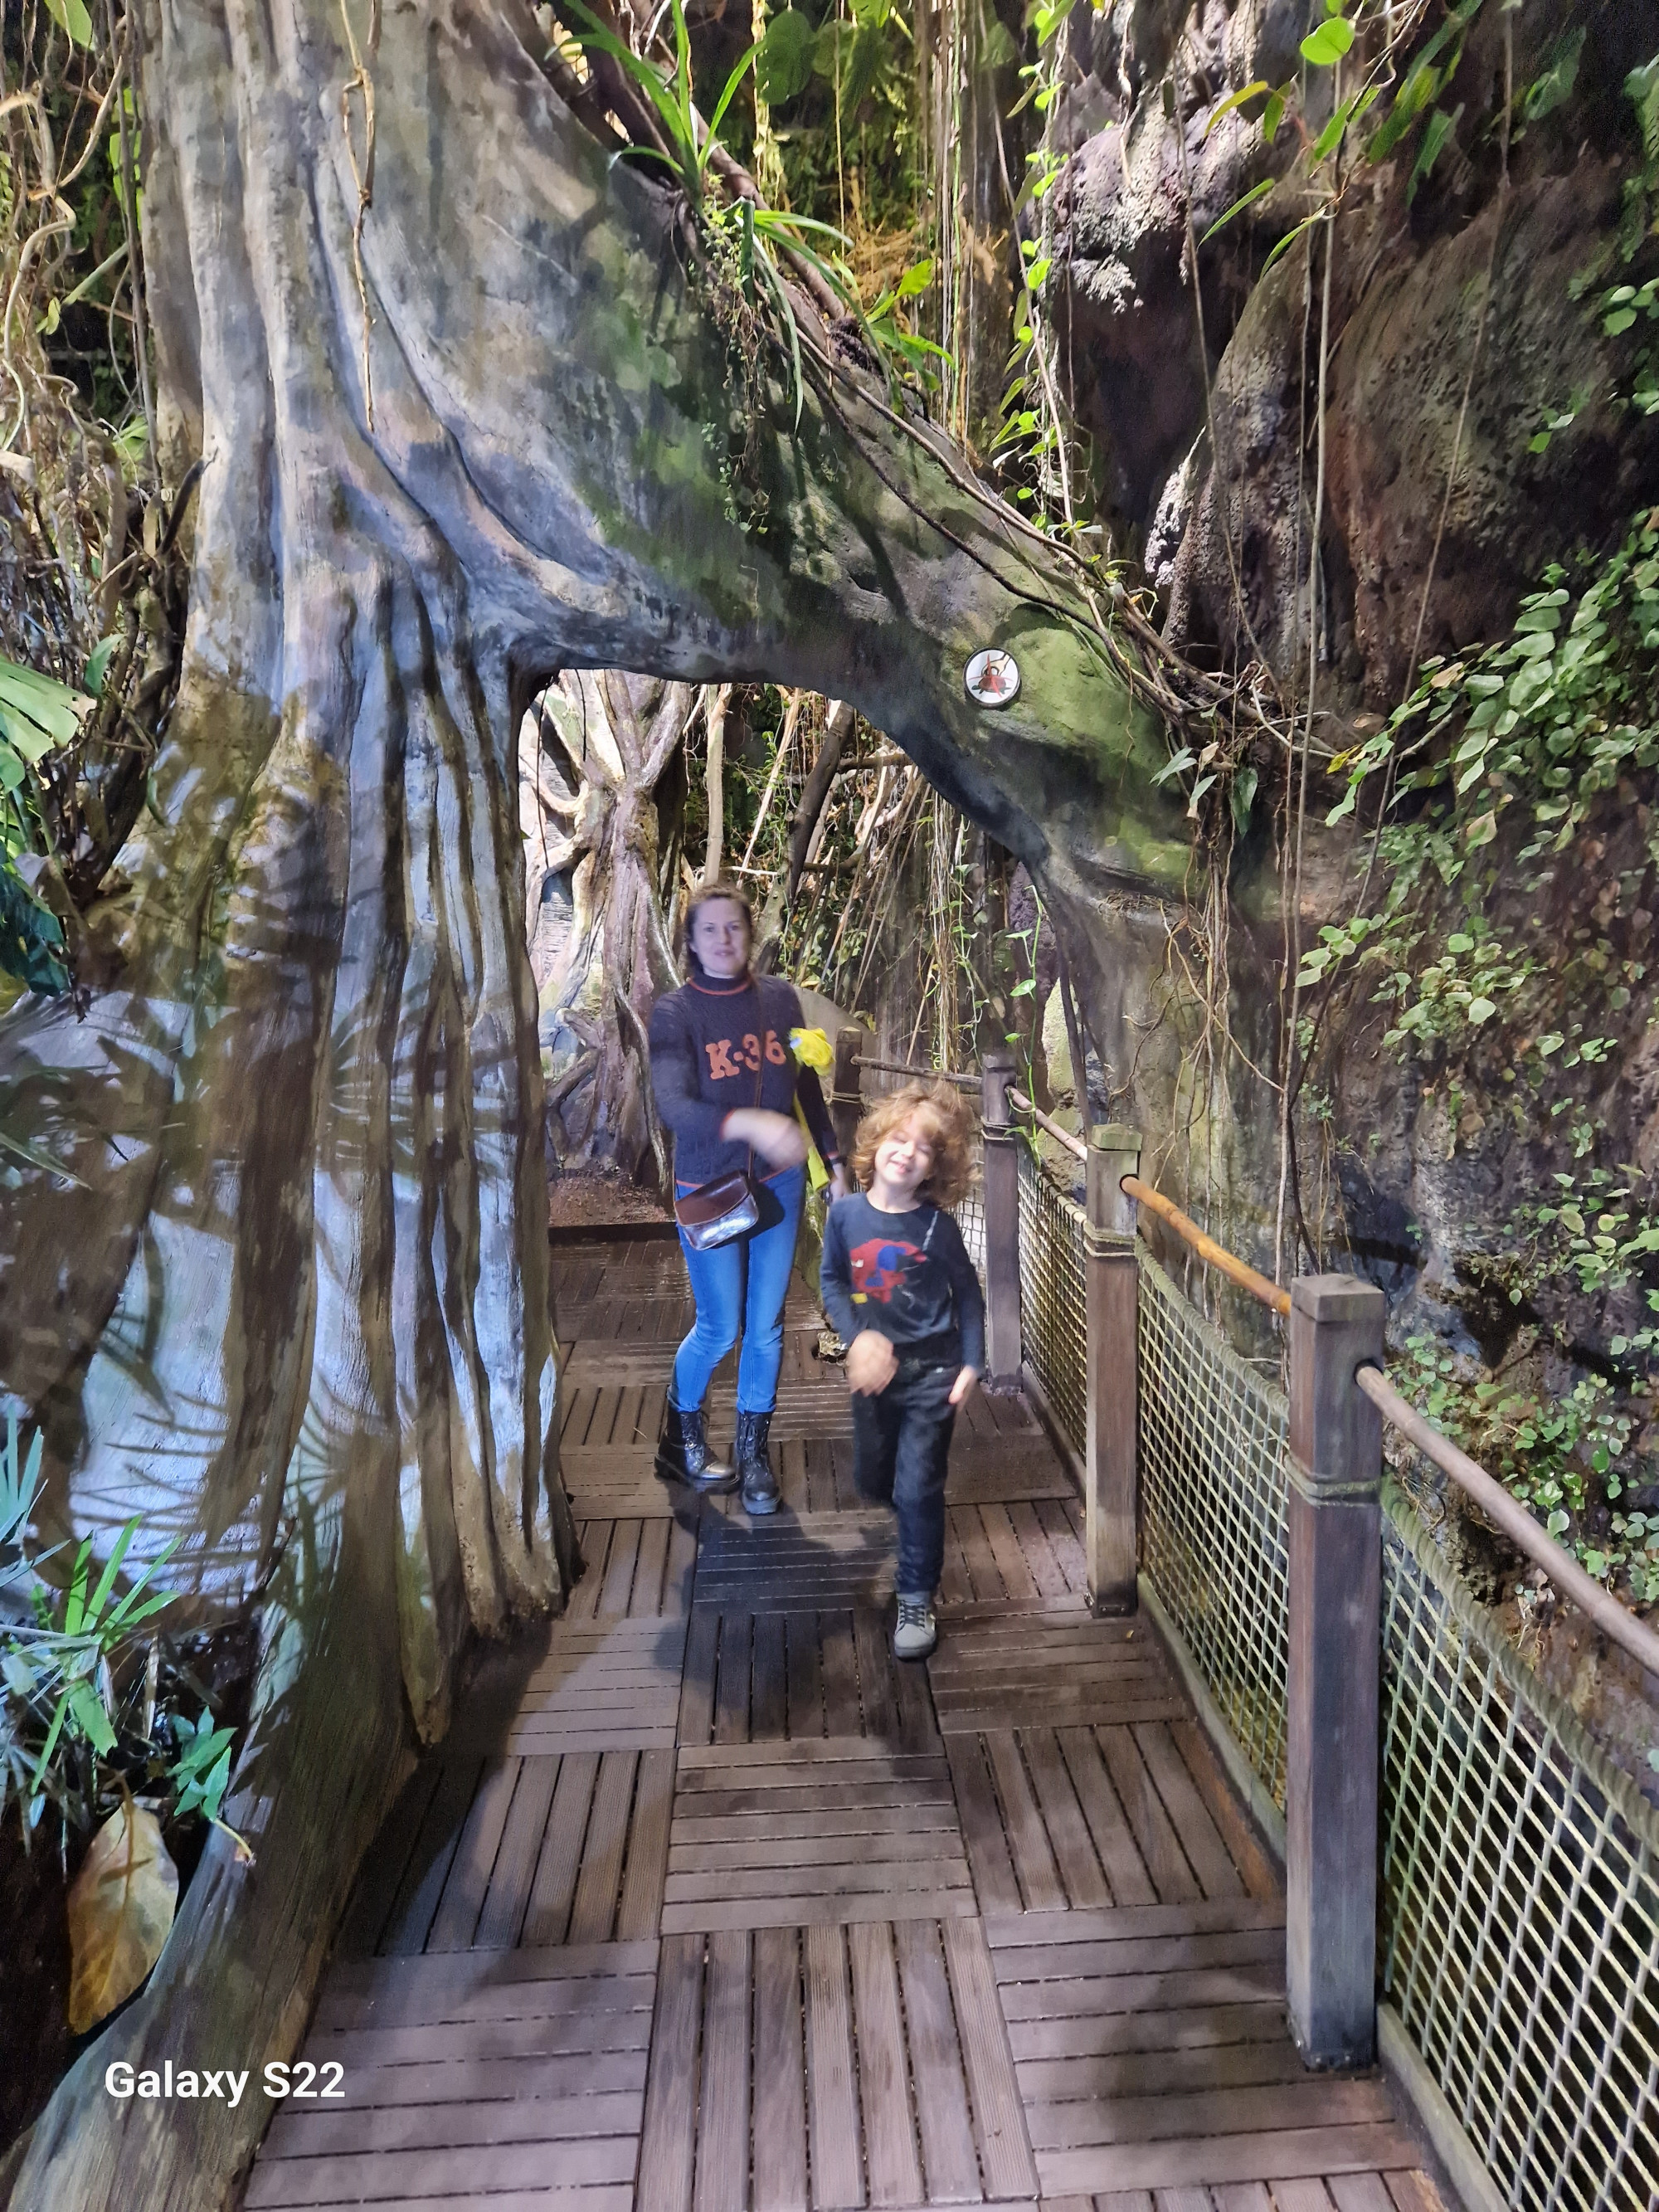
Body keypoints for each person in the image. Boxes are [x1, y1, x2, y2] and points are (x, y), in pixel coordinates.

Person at [648, 882, 848, 1513]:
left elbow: (805, 1084)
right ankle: (680, 1439)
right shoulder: (675, 1014)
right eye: (709, 929)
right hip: (709, 1186)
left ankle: (753, 1453)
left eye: (733, 927)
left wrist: (833, 1160)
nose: (724, 939)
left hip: (778, 1183)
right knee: (720, 1327)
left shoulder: (780, 1000)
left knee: (765, 1327)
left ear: (749, 934)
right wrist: (749, 1124)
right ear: (691, 940)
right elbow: (675, 1106)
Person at [820, 1080, 983, 1659]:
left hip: (932, 1375)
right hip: (874, 1378)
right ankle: (911, 1516)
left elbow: (968, 1294)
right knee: (874, 1478)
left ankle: (916, 1593)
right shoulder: (845, 1219)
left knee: (918, 1488)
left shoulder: (937, 1229)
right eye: (899, 1138)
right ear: (876, 1144)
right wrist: (858, 1334)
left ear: (933, 1169)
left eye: (923, 1148)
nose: (906, 1152)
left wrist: (974, 1362)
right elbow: (833, 1281)